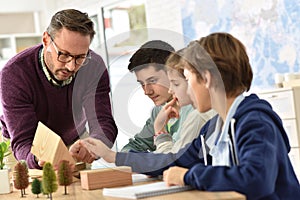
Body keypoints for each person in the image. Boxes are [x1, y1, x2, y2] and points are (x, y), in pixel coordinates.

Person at [72, 32, 300, 199]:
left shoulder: (255, 122)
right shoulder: (214, 128)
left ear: (207, 78)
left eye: (188, 79)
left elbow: (255, 181)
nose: (179, 90)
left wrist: (190, 175)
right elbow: (171, 161)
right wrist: (112, 157)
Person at [0, 9, 118, 169]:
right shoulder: (14, 73)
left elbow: (103, 122)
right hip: (25, 148)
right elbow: (22, 140)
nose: (71, 66)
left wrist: (94, 145)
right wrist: (36, 159)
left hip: (74, 141)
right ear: (46, 40)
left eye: (80, 57)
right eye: (63, 54)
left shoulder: (94, 66)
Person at [119, 40, 194, 153]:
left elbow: (174, 157)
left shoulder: (194, 109)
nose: (147, 91)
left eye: (152, 81)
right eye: (142, 84)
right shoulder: (159, 111)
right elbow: (134, 147)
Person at [153, 50, 216, 153]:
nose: (170, 90)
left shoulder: (199, 116)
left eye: (176, 84)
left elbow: (170, 162)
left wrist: (160, 133)